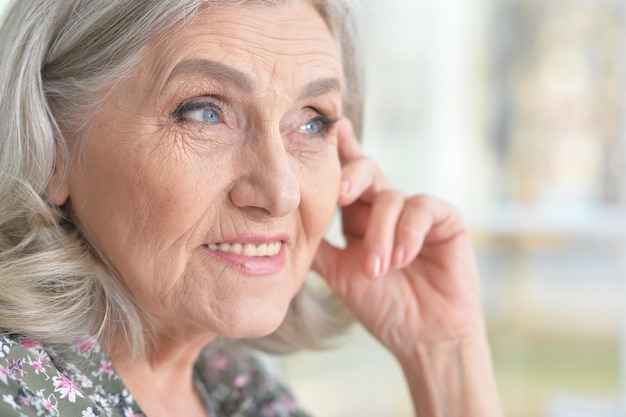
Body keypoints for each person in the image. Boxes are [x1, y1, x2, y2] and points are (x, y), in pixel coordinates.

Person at [0, 0, 504, 416]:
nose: (282, 192)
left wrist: (444, 355)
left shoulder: (234, 385)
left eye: (312, 123)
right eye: (205, 112)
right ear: (53, 148)